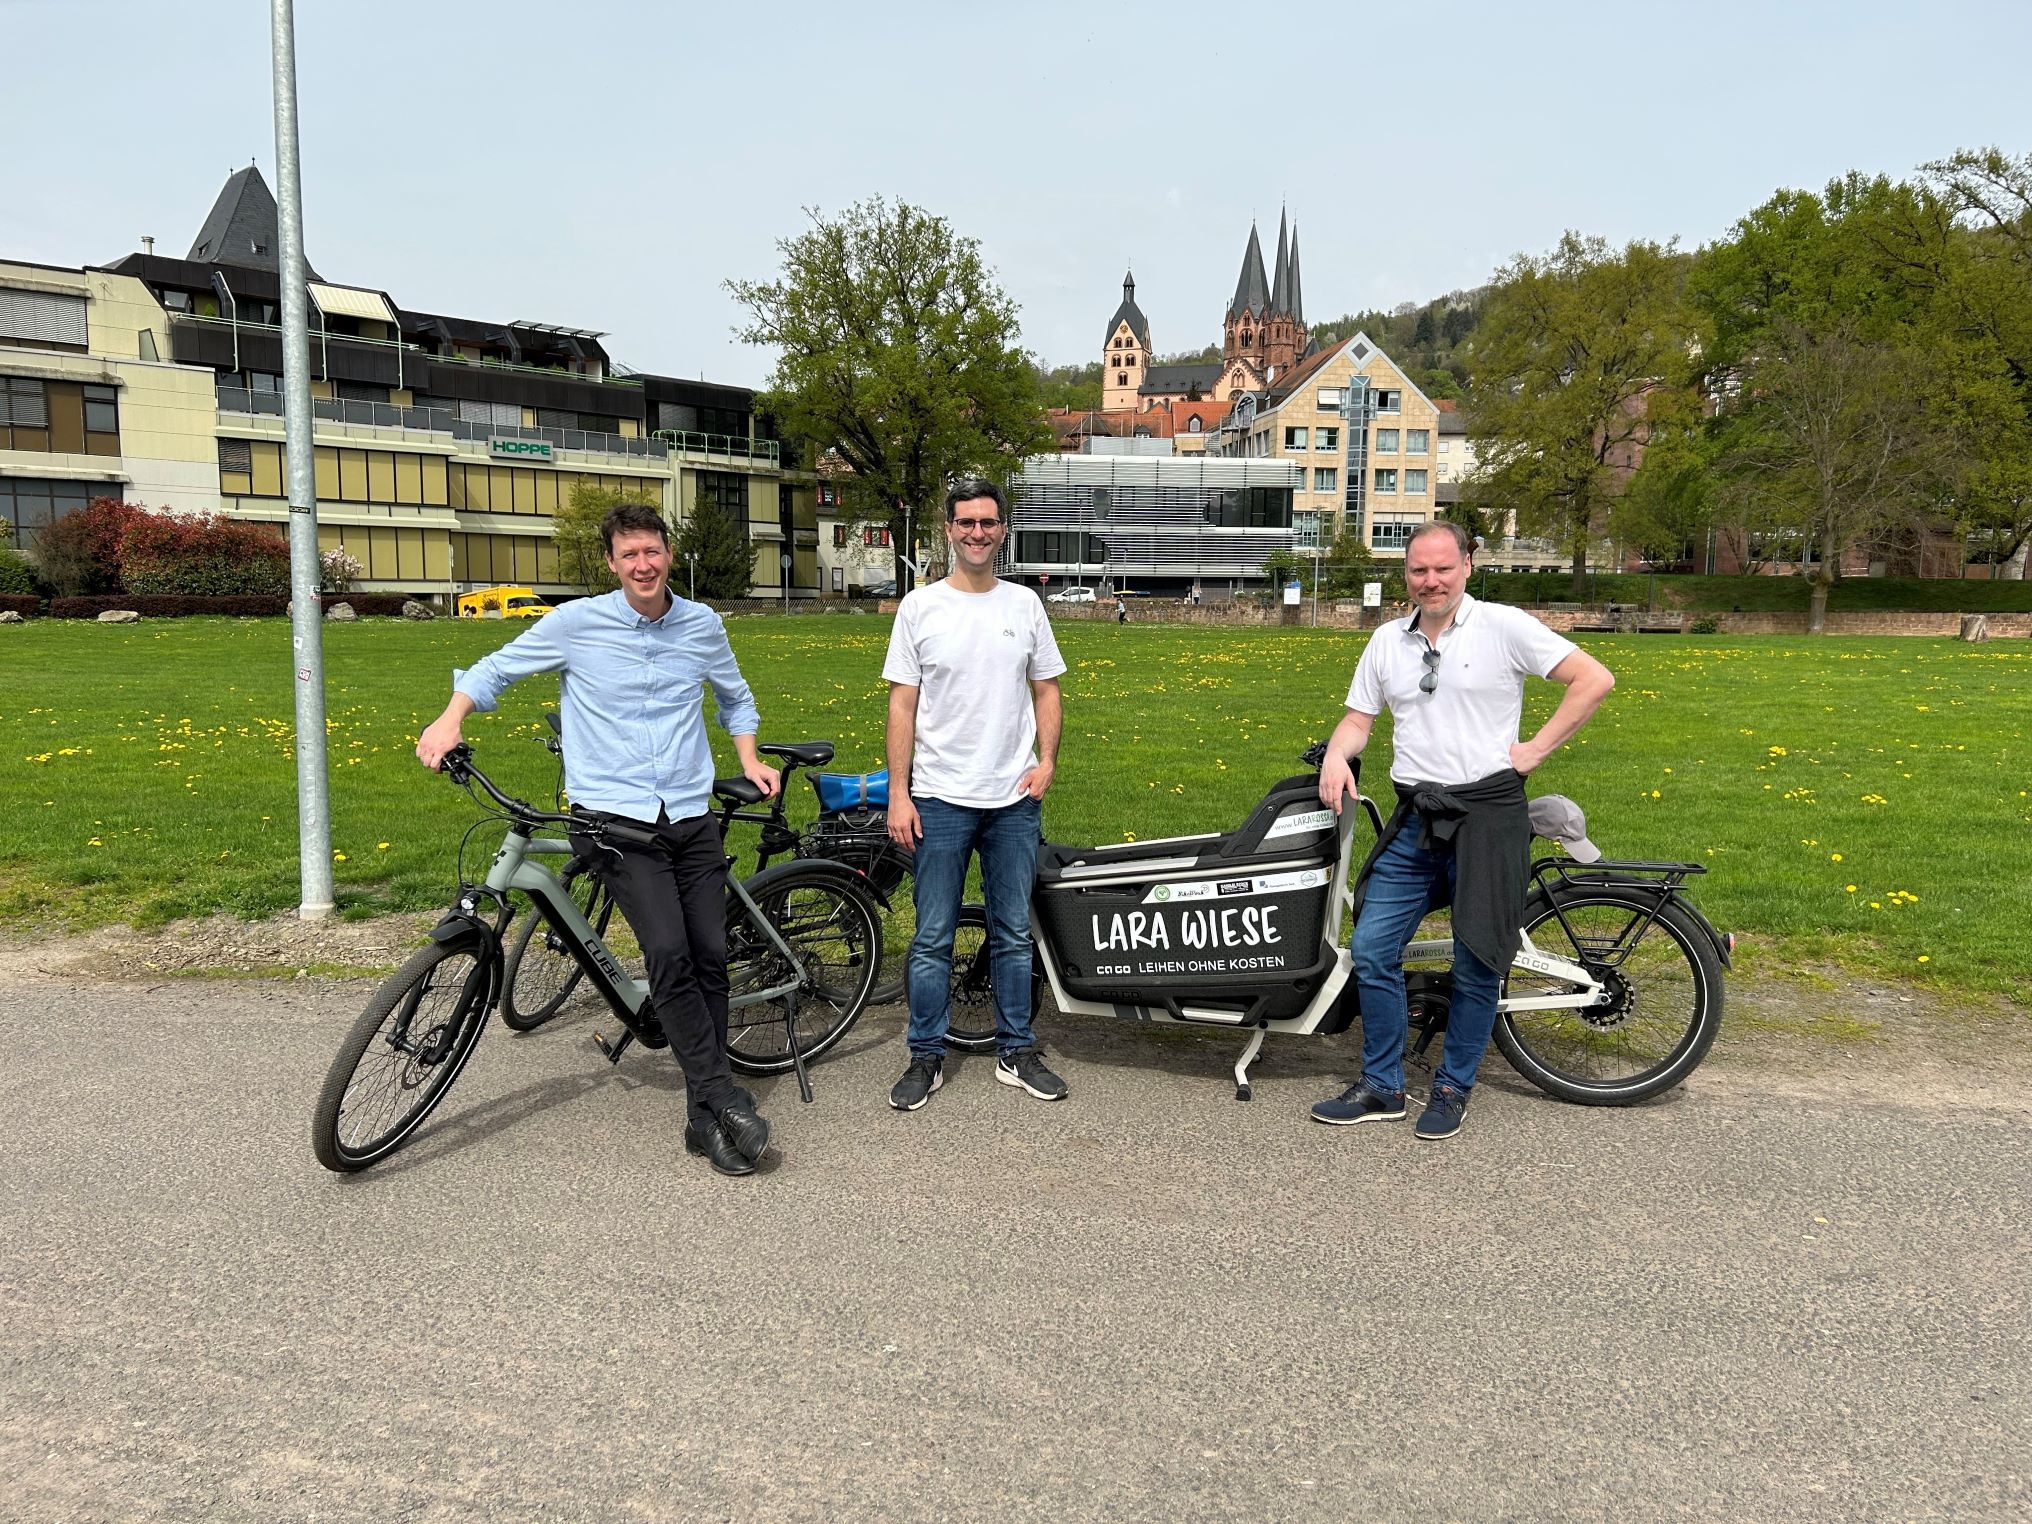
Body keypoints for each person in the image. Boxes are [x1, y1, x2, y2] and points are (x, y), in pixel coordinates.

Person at [415, 502, 781, 1178]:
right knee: (668, 952)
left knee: (708, 955)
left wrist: (750, 755)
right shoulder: (576, 624)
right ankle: (722, 1095)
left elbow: (736, 698)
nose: (643, 564)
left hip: (688, 815)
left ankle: (705, 1119)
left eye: (653, 551)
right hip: (613, 821)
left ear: (668, 554)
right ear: (612, 564)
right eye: (629, 555)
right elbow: (494, 669)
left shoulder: (700, 625)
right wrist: (450, 720)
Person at [1310, 520, 1614, 1140]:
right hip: (1418, 813)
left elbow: (1594, 678)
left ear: (1467, 566)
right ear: (1406, 575)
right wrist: (1340, 754)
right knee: (1372, 948)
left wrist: (1534, 750)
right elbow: (1357, 719)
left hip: (1489, 813)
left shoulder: (1503, 626)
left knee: (1478, 958)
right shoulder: (1387, 643)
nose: (1431, 580)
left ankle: (1451, 1087)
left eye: (1443, 568)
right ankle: (1383, 1085)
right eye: (1419, 570)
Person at [883, 478, 1068, 1111]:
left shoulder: (1024, 606)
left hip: (1013, 798)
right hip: (939, 798)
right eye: (967, 522)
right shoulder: (920, 608)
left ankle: (1016, 1049)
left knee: (1013, 933)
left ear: (1003, 529)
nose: (978, 532)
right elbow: (902, 703)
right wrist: (899, 795)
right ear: (949, 528)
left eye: (988, 522)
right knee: (932, 935)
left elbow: (1046, 688)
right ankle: (926, 1055)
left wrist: (1046, 762)